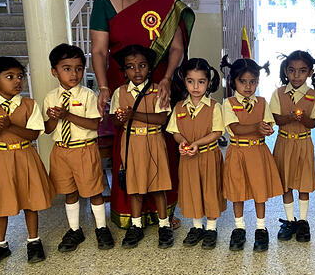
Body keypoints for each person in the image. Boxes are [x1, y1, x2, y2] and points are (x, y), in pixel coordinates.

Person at [90, 0, 194, 230]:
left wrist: (167, 77)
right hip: (121, 83)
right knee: (128, 144)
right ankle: (130, 213)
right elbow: (98, 51)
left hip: (159, 82)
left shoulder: (164, 2)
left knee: (162, 145)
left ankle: (163, 213)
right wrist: (102, 86)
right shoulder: (103, 2)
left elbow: (176, 48)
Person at [0, 57, 55, 266]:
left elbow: (33, 135)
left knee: (30, 199)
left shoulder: (29, 105)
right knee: (1, 202)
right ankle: (0, 244)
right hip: (0, 159)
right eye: (10, 77)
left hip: (25, 155)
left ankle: (34, 241)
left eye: (20, 76)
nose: (17, 81)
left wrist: (8, 125)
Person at [43, 44, 113, 252]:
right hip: (61, 150)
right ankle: (75, 229)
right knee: (69, 191)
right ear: (54, 71)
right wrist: (55, 119)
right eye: (67, 68)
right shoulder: (50, 97)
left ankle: (101, 228)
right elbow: (47, 130)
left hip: (84, 149)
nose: (74, 74)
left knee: (94, 190)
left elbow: (93, 124)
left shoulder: (88, 95)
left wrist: (67, 115)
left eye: (79, 68)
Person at [109, 45, 173, 249]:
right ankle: (135, 225)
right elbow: (115, 121)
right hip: (132, 143)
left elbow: (162, 119)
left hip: (154, 141)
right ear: (124, 71)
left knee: (158, 186)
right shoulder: (120, 92)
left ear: (150, 68)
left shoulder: (157, 90)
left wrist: (133, 115)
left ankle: (164, 225)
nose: (137, 71)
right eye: (131, 67)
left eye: (142, 66)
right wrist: (120, 118)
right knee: (134, 186)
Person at [221, 56, 283, 252]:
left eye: (253, 81)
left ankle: (260, 228)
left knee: (259, 190)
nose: (248, 86)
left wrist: (265, 129)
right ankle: (239, 228)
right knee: (237, 190)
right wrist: (256, 126)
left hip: (258, 151)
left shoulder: (263, 103)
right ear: (233, 82)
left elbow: (267, 124)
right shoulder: (228, 103)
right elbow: (236, 128)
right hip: (238, 150)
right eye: (243, 81)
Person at [167, 59, 226, 249]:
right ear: (184, 81)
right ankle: (196, 227)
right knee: (192, 191)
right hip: (188, 158)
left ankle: (211, 228)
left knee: (209, 191)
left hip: (208, 156)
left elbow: (217, 132)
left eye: (201, 81)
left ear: (209, 82)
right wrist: (183, 142)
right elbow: (175, 132)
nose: (195, 86)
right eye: (190, 81)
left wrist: (197, 143)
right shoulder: (179, 107)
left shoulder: (214, 107)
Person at [269, 50, 315, 243]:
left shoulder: (313, 96)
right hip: (284, 142)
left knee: (303, 183)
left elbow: (312, 124)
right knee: (286, 183)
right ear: (286, 71)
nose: (296, 75)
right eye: (291, 70)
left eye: (302, 71)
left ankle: (303, 221)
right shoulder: (278, 94)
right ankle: (290, 220)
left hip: (303, 142)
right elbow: (277, 120)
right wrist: (290, 117)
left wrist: (303, 118)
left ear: (310, 72)